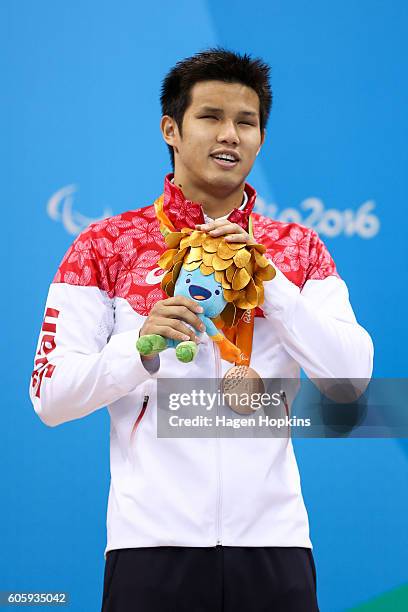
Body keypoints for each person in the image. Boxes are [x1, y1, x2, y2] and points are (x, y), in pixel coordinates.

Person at [30, 48, 373, 611]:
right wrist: (135, 350)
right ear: (171, 128)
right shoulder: (103, 246)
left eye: (246, 121)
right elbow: (49, 396)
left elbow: (351, 378)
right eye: (210, 116)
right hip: (149, 548)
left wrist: (273, 285)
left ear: (262, 137)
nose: (230, 135)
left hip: (274, 545)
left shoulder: (297, 249)